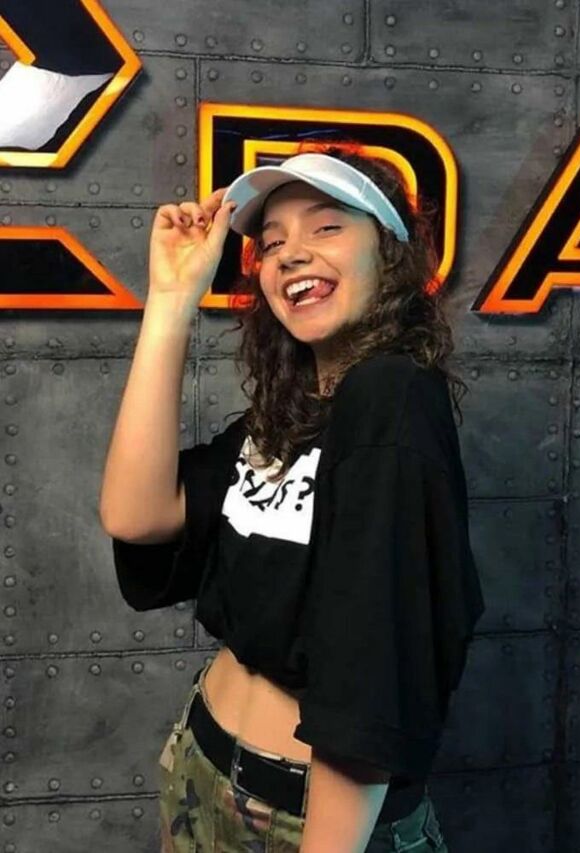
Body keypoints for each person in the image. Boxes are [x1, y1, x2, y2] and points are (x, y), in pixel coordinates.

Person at [99, 142, 485, 852]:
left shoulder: (391, 399)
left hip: (301, 822)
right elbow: (138, 514)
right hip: (203, 771)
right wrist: (172, 300)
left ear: (390, 254)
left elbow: (376, 669)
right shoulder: (291, 415)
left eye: (328, 226)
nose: (291, 253)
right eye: (272, 242)